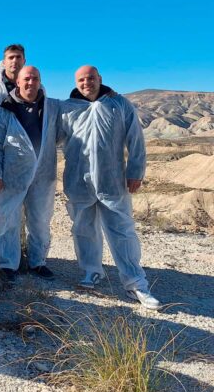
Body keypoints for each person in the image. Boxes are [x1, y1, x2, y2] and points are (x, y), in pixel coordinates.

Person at [61, 65, 161, 309]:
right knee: (83, 229)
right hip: (79, 180)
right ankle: (91, 271)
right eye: (82, 79)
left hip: (112, 180)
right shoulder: (67, 108)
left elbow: (135, 139)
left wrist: (135, 172)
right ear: (76, 83)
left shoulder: (119, 105)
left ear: (100, 79)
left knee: (122, 231)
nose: (87, 83)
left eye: (91, 78)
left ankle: (135, 282)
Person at [0, 66, 60, 283]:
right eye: (26, 79)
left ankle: (38, 262)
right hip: (11, 176)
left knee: (40, 220)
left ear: (40, 81)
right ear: (17, 82)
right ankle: (6, 264)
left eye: (35, 78)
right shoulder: (5, 110)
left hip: (43, 175)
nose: (30, 82)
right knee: (8, 219)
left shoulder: (51, 107)